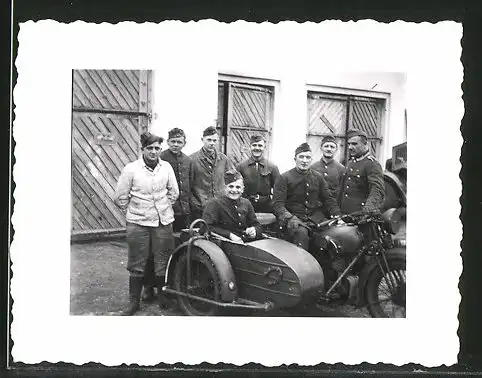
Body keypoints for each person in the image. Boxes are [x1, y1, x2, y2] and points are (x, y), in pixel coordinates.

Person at [114, 132, 179, 316]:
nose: (153, 152)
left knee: (162, 259)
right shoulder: (131, 169)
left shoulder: (166, 167)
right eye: (149, 148)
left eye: (157, 148)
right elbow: (120, 196)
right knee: (137, 260)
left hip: (162, 220)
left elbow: (174, 192)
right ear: (142, 149)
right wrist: (136, 210)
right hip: (138, 221)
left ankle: (162, 296)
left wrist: (162, 206)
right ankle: (133, 301)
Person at [272, 142, 341, 251]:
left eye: (308, 157)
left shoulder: (318, 177)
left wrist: (337, 216)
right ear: (295, 159)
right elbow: (277, 205)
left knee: (333, 236)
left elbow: (328, 199)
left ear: (311, 160)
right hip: (294, 220)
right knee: (301, 234)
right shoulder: (284, 178)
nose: (304, 160)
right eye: (301, 157)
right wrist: (290, 218)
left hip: (315, 219)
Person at [203, 170, 262, 242]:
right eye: (231, 186)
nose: (234, 190)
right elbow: (207, 227)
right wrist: (229, 235)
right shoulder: (215, 203)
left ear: (242, 189)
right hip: (225, 244)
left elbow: (256, 224)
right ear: (225, 188)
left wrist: (254, 231)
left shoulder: (246, 203)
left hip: (245, 242)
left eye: (238, 187)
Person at [190, 126, 235, 220]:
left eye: (214, 140)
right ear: (202, 140)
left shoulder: (224, 159)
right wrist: (195, 203)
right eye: (209, 140)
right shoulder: (192, 160)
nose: (212, 143)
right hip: (201, 208)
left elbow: (233, 179)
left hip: (221, 207)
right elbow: (188, 186)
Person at [339, 129, 385, 214]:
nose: (350, 147)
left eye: (354, 144)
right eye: (349, 144)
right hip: (345, 214)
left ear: (365, 144)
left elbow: (377, 190)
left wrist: (367, 211)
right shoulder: (350, 163)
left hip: (360, 215)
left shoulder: (372, 164)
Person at [236, 135, 281, 213]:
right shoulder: (241, 167)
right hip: (245, 206)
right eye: (254, 145)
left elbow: (279, 189)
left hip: (266, 207)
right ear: (250, 147)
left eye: (260, 145)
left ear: (264, 147)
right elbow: (236, 187)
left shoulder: (272, 166)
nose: (257, 148)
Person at [160, 128, 193, 231]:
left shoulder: (188, 160)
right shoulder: (161, 158)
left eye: (179, 142)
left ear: (184, 143)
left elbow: (190, 183)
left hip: (184, 209)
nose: (176, 144)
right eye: (173, 141)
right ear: (168, 142)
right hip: (167, 208)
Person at [311, 135, 345, 200]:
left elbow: (342, 191)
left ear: (336, 149)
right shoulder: (313, 167)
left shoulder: (341, 169)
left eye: (332, 147)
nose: (329, 149)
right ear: (321, 148)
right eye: (326, 146)